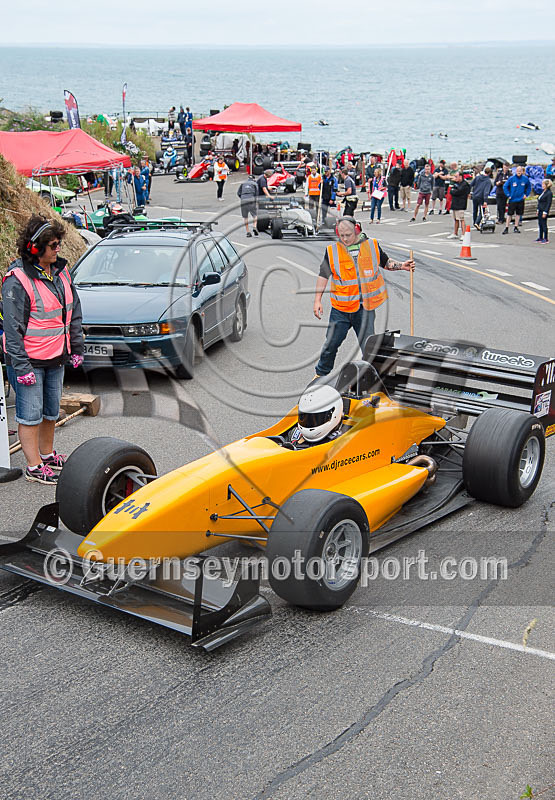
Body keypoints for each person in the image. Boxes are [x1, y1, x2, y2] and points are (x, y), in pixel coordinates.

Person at [2, 216, 84, 485]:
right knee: (29, 415)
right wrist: (21, 367)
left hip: (55, 357)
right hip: (29, 362)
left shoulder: (61, 273)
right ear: (35, 248)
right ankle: (33, 466)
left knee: (50, 411)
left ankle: (46, 455)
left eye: (58, 243)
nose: (58, 248)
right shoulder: (17, 281)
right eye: (53, 245)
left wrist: (76, 347)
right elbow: (12, 329)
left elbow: (73, 312)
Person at [313, 217, 415, 378]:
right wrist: (317, 300)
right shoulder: (332, 251)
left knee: (369, 347)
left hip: (365, 309)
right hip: (341, 309)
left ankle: (372, 378)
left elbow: (386, 262)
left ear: (357, 231)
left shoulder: (372, 245)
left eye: (348, 235)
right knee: (330, 345)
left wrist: (401, 265)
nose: (345, 239)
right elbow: (323, 275)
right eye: (341, 235)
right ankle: (320, 375)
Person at [503, 165, 531, 234]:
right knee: (509, 214)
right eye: (518, 171)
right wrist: (508, 195)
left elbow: (529, 187)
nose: (519, 172)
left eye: (520, 171)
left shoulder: (525, 179)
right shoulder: (511, 178)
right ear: (516, 171)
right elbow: (505, 186)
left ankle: (516, 227)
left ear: (522, 171)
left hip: (520, 199)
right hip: (512, 200)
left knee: (518, 214)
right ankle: (506, 227)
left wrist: (526, 194)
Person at [447, 171, 470, 238]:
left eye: (456, 177)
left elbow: (458, 192)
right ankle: (455, 233)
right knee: (456, 219)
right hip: (455, 203)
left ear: (460, 177)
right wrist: (454, 191)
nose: (455, 178)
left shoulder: (465, 184)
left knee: (461, 219)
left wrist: (454, 191)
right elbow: (452, 191)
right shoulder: (456, 183)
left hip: (461, 204)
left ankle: (463, 234)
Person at [536, 178, 552, 243]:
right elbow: (539, 202)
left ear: (546, 185)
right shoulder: (543, 192)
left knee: (544, 224)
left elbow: (548, 203)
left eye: (543, 184)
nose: (542, 185)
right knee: (540, 224)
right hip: (540, 209)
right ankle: (540, 237)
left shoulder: (549, 193)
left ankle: (545, 238)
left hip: (544, 210)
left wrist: (545, 212)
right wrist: (537, 209)